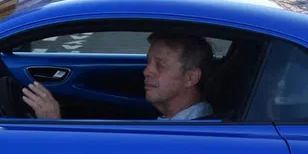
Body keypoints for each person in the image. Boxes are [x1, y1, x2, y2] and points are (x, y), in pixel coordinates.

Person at [22, 33, 214, 121]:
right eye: (148, 62)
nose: (147, 71)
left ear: (191, 78)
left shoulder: (195, 134)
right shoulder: (179, 123)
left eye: (161, 64)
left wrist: (54, 126)